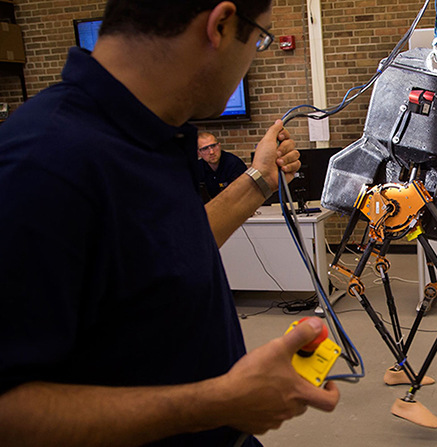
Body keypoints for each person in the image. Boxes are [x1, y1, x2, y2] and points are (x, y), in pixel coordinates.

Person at [0, 0, 339, 446]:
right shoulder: (39, 164)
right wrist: (216, 403)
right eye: (260, 38)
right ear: (219, 24)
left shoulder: (153, 133)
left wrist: (259, 181)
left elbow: (162, 252)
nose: (256, 52)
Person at [197, 131, 247, 201]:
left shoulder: (234, 164)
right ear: (199, 153)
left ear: (219, 146)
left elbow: (242, 195)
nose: (211, 152)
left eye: (213, 146)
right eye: (205, 149)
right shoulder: (197, 168)